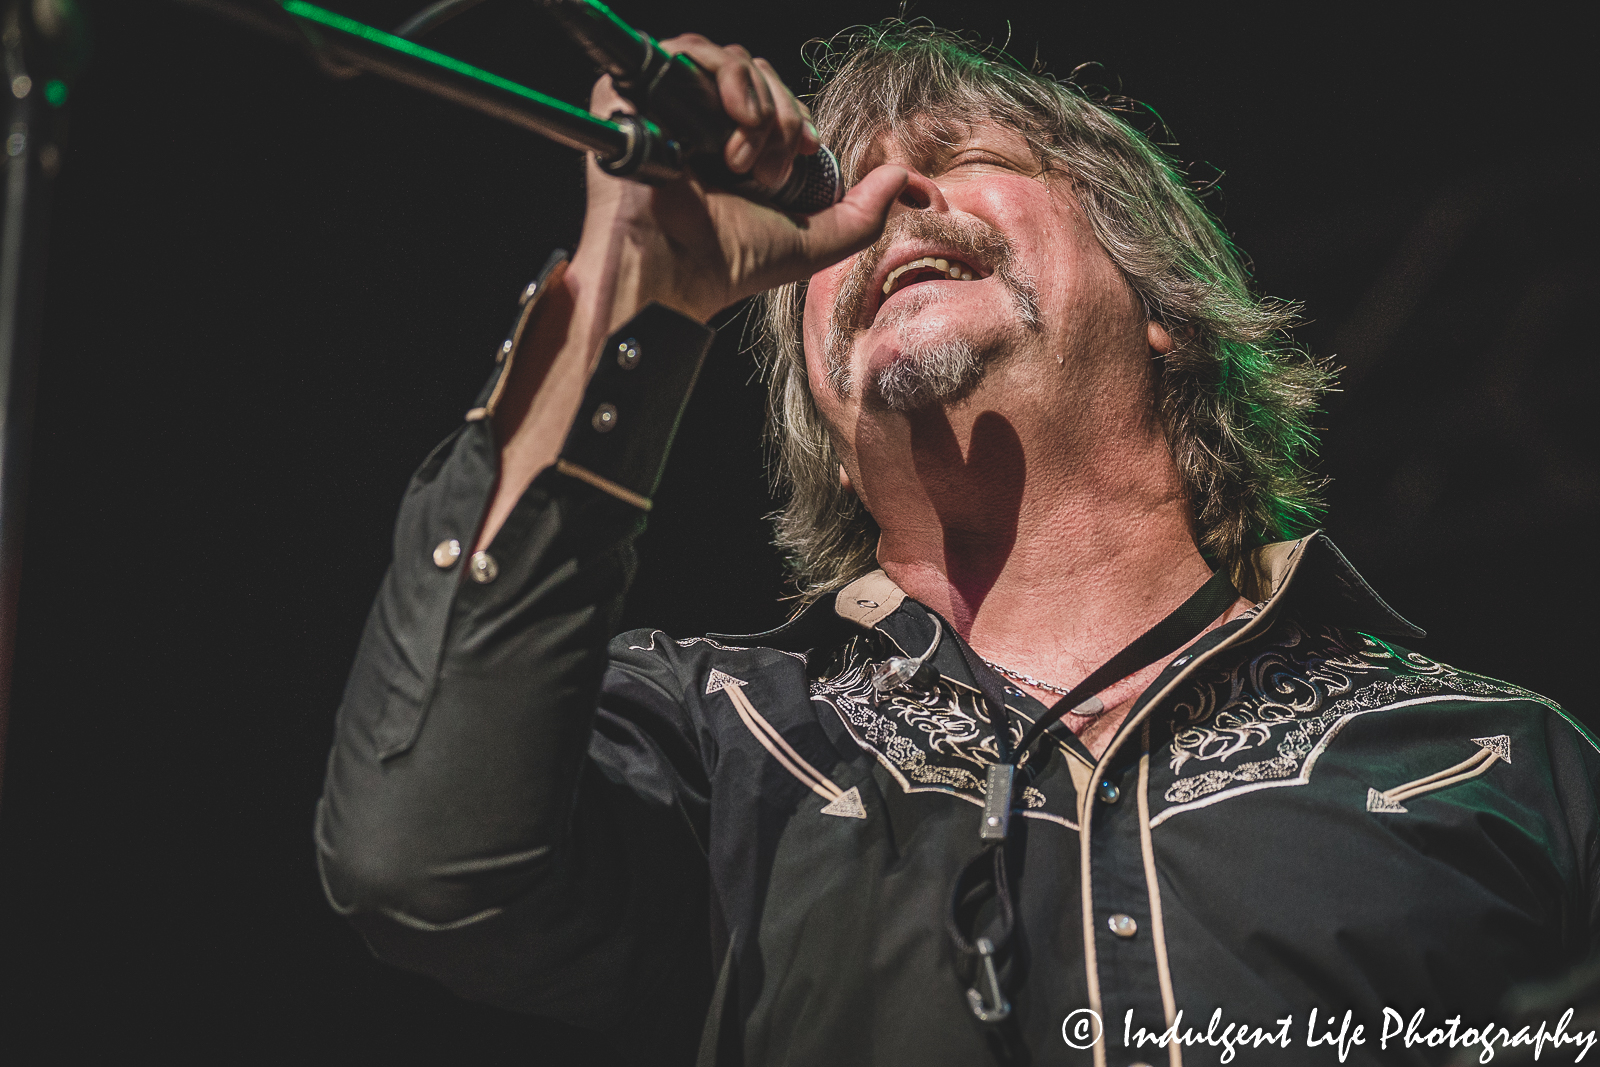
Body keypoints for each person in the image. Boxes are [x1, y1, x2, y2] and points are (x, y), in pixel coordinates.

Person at [315, 22, 1600, 1066]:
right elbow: (421, 860)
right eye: (839, 193)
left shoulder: (1495, 763)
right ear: (819, 414)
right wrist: (631, 290)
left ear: (1160, 303)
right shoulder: (725, 740)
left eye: (967, 154)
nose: (889, 201)